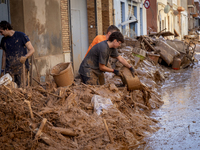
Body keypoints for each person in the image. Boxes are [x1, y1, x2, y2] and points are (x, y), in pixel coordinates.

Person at [0, 21, 35, 87]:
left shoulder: (21, 35)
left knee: (22, 90)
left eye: (1, 32)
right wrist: (2, 70)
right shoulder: (3, 40)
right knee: (11, 91)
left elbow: (32, 49)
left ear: (6, 29)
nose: (1, 34)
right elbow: (4, 56)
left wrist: (25, 57)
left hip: (21, 69)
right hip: (9, 70)